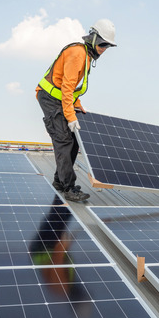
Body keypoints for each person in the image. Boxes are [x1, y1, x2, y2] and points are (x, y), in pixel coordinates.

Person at [36, 19, 117, 202]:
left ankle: (60, 181)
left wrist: (77, 103)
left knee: (73, 141)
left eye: (107, 46)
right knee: (63, 140)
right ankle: (69, 188)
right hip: (50, 98)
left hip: (59, 98)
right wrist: (71, 116)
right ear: (93, 39)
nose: (104, 49)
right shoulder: (78, 54)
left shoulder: (86, 56)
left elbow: (71, 88)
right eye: (102, 44)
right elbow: (67, 87)